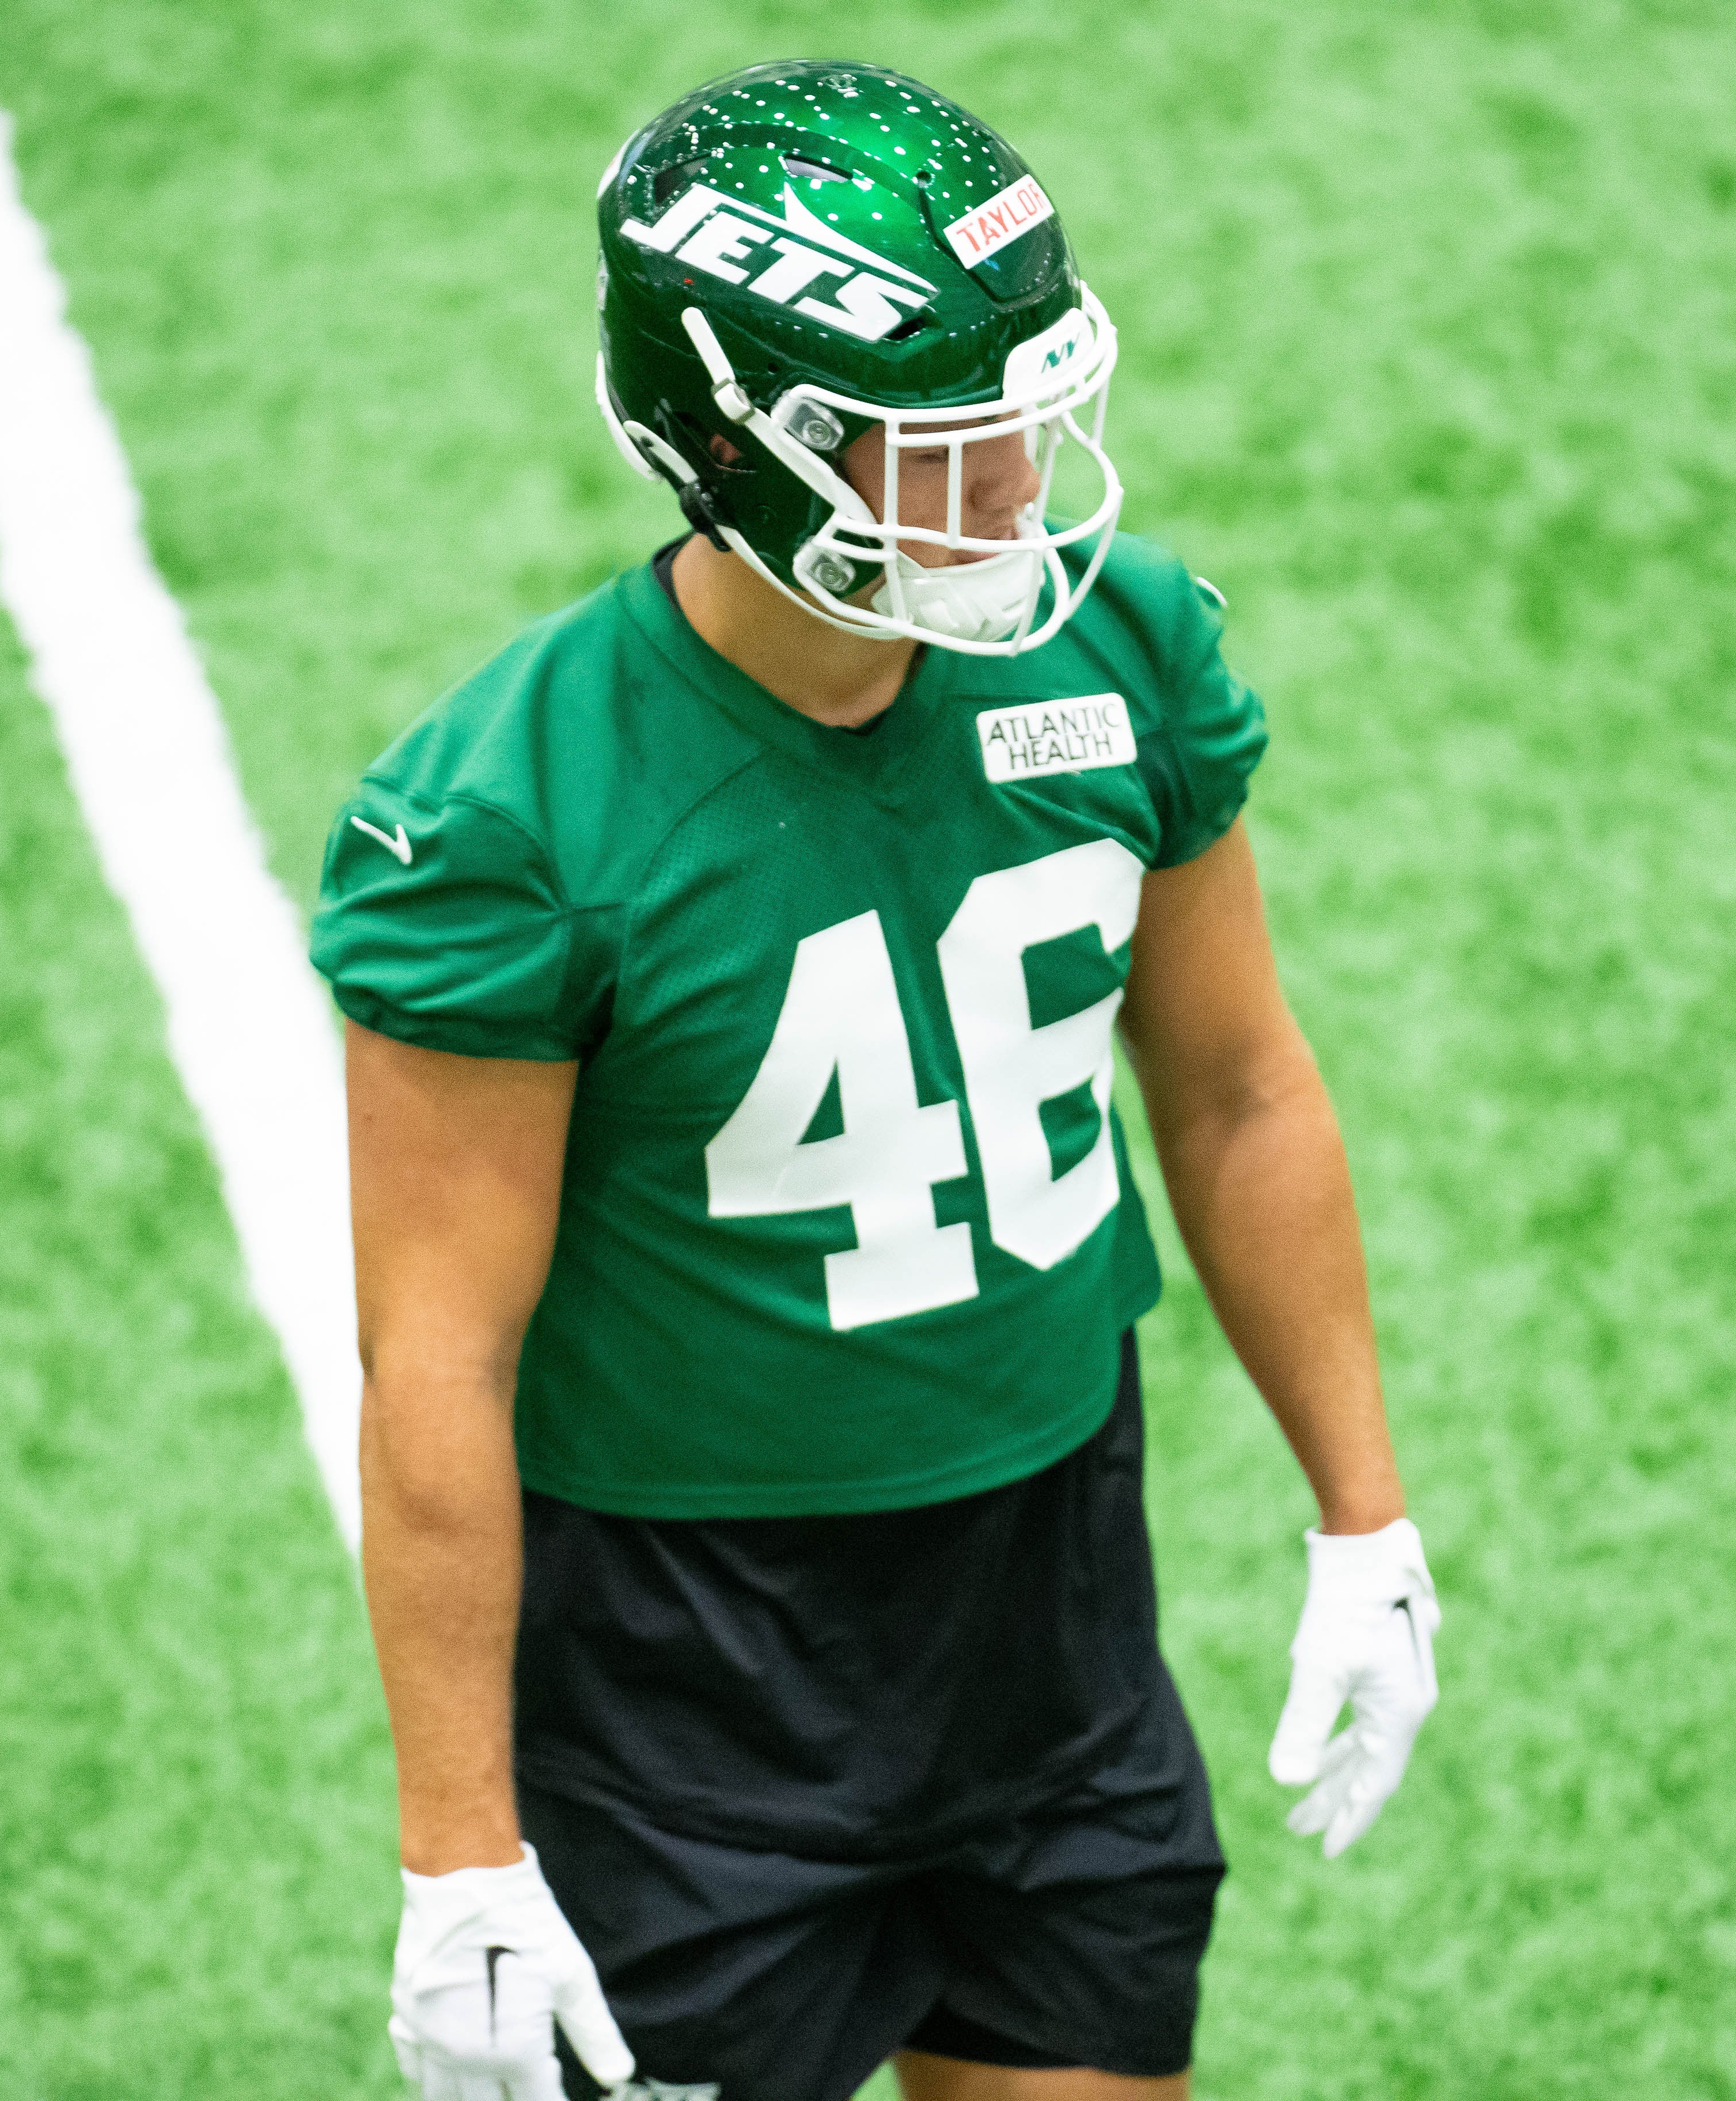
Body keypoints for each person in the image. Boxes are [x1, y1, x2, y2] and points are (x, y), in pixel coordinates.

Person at [310, 59, 1441, 2101]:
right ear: (747, 451)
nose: (1019, 483)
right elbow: (437, 1358)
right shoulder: (503, 823)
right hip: (685, 1665)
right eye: (946, 442)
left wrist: (1364, 1515)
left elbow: (1238, 1090)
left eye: (1025, 412)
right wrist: (461, 1845)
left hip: (1049, 1585)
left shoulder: (1125, 653)